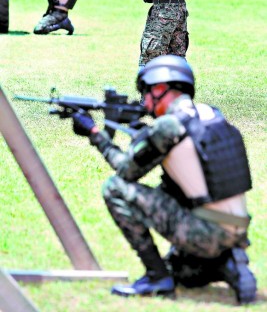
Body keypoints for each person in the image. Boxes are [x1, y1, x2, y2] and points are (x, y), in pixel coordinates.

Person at [71, 55, 257, 303]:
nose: (145, 101)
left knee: (115, 188)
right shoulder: (210, 114)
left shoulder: (169, 126)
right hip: (236, 227)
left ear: (160, 88)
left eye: (146, 93)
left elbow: (126, 171)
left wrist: (94, 134)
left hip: (206, 232)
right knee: (182, 271)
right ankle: (226, 263)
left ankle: (156, 276)